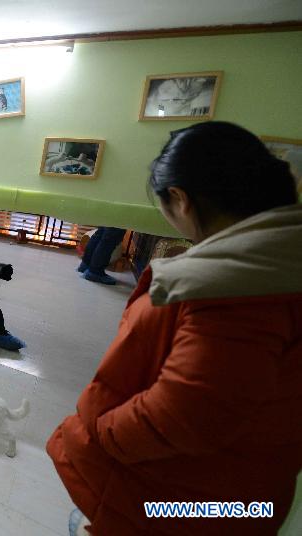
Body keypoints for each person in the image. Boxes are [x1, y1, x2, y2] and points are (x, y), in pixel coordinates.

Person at [46, 122, 302, 535]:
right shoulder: (278, 266)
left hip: (186, 501)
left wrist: (99, 434)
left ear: (180, 199)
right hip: (245, 497)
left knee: (83, 524)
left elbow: (187, 416)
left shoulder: (236, 286)